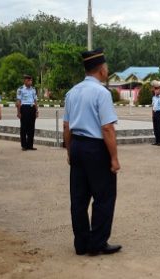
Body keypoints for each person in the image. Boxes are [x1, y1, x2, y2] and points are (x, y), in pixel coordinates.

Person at [63, 48, 122, 256]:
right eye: (106, 67)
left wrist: (70, 151)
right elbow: (107, 128)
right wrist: (114, 158)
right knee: (104, 196)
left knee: (78, 198)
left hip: (78, 145)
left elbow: (66, 127)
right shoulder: (101, 93)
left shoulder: (72, 92)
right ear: (101, 69)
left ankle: (81, 243)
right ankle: (97, 243)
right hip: (96, 148)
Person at [16, 74, 39, 151]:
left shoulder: (33, 89)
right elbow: (18, 101)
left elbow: (35, 101)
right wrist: (18, 112)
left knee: (31, 128)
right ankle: (24, 145)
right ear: (25, 81)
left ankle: (30, 145)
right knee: (24, 128)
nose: (30, 82)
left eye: (31, 80)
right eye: (28, 80)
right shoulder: (20, 89)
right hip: (24, 108)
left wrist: (36, 111)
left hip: (32, 108)